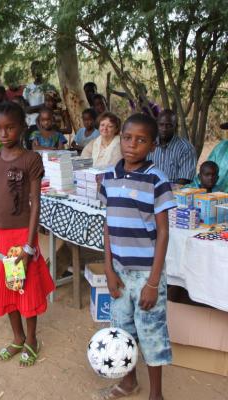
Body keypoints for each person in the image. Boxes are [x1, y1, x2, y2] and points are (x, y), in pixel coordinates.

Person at [98, 113, 176, 400]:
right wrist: (108, 268)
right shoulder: (109, 177)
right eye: (127, 138)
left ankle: (156, 394)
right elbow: (107, 224)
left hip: (147, 274)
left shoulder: (157, 179)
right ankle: (129, 382)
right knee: (122, 331)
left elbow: (164, 232)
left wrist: (154, 282)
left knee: (152, 334)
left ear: (152, 146)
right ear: (120, 139)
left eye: (141, 140)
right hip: (118, 270)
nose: (132, 145)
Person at [0, 102, 55, 367]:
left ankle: (32, 340)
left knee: (23, 288)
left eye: (10, 128)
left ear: (22, 127)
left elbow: (35, 203)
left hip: (20, 238)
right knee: (7, 287)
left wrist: (29, 246)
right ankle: (17, 337)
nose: (3, 134)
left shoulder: (30, 160)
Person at [148, 109, 197, 184]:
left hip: (175, 193)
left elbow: (184, 180)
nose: (164, 129)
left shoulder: (186, 148)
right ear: (157, 125)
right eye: (161, 124)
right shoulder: (149, 144)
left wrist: (164, 191)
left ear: (175, 126)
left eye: (169, 125)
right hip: (149, 190)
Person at [23, 61, 55, 131]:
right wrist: (43, 106)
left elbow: (52, 106)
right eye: (34, 69)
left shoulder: (50, 87)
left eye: (39, 69)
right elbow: (26, 109)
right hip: (32, 124)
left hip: (48, 124)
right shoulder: (27, 89)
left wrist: (33, 109)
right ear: (31, 72)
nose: (37, 72)